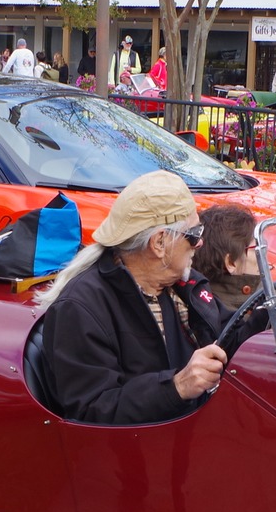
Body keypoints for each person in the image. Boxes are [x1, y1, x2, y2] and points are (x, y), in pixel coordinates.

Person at [35, 172, 241, 425]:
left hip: (195, 427)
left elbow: (228, 334)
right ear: (159, 242)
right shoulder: (81, 308)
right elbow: (92, 410)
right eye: (194, 233)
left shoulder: (181, 283)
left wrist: (273, 312)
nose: (200, 243)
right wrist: (176, 387)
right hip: (142, 444)